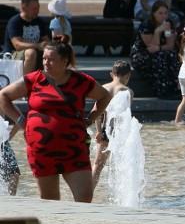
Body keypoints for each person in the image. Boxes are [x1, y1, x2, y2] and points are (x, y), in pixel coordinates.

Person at [0, 41, 111, 202]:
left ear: (65, 61)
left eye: (51, 59)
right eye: (44, 58)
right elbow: (3, 96)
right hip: (42, 151)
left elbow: (105, 96)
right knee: (50, 202)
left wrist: (90, 119)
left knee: (85, 199)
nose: (45, 62)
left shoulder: (81, 81)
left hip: (74, 150)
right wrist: (23, 122)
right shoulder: (34, 79)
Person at [92, 60, 133, 189]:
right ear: (128, 76)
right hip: (120, 133)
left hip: (105, 132)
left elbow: (96, 112)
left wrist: (98, 131)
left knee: (97, 165)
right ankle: (122, 192)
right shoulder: (128, 92)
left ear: (112, 74)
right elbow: (126, 116)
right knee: (123, 165)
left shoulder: (104, 88)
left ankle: (87, 194)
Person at [130, 0, 181, 98]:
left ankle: (175, 88)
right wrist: (157, 31)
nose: (163, 16)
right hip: (142, 53)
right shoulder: (146, 25)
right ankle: (162, 91)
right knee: (159, 57)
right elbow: (151, 47)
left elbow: (170, 45)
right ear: (154, 14)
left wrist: (160, 45)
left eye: (166, 13)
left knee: (172, 55)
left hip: (159, 50)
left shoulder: (168, 24)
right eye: (160, 13)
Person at [2, 0, 50, 74]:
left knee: (53, 52)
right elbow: (18, 45)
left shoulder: (39, 21)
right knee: (31, 52)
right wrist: (38, 45)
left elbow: (46, 41)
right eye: (34, 9)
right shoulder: (15, 22)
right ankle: (26, 83)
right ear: (24, 8)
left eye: (38, 8)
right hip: (13, 54)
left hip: (33, 52)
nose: (37, 11)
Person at [0, 130, 21, 196]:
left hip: (2, 141)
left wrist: (9, 136)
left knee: (14, 172)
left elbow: (20, 120)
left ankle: (11, 199)